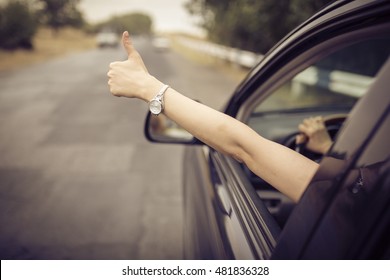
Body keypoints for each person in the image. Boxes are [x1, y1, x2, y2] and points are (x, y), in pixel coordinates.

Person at [107, 31, 319, 203]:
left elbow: (244, 148)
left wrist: (149, 88)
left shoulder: (339, 193)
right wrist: (327, 149)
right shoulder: (347, 189)